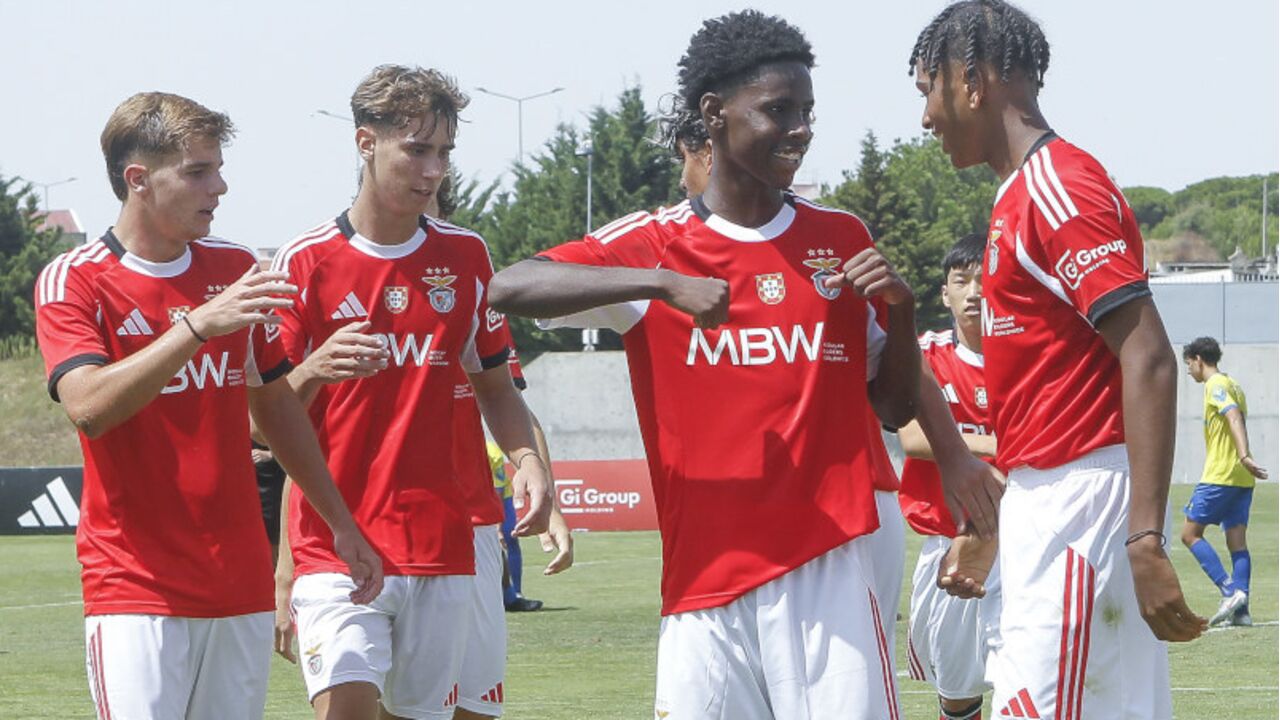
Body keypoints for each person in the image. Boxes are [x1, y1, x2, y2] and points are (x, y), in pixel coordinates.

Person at [491, 11, 920, 718]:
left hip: (828, 570)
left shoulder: (839, 238)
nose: (800, 129)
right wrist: (658, 284)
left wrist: (900, 315)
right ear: (714, 115)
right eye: (778, 110)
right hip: (703, 583)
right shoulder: (656, 244)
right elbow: (509, 286)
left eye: (807, 111)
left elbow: (894, 408)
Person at [33, 91, 382, 720]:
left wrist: (341, 523)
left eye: (218, 168)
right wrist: (197, 327)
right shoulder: (76, 278)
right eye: (197, 171)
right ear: (138, 180)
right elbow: (87, 406)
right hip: (134, 586)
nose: (218, 187)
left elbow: (275, 407)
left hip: (238, 581)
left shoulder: (234, 266)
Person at [910, 2, 1206, 717]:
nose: (925, 116)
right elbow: (1046, 393)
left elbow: (1150, 357)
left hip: (1084, 507)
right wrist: (998, 527)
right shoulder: (1016, 198)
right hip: (1049, 502)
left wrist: (1142, 538)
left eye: (928, 88)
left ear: (973, 81)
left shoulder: (1058, 187)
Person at [270, 65, 553, 720]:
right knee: (347, 707)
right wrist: (312, 369)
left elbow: (495, 386)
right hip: (336, 547)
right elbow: (266, 419)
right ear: (366, 143)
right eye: (417, 150)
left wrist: (529, 462)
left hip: (441, 546)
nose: (433, 171)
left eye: (444, 153)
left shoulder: (467, 257)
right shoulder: (305, 261)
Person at [897, 233, 1000, 720]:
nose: (974, 292)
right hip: (946, 542)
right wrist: (999, 447)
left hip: (1023, 542)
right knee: (958, 693)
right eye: (962, 281)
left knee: (1038, 676)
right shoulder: (926, 354)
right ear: (945, 293)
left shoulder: (1027, 356)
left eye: (984, 280)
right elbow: (913, 438)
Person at [1180, 336, 1267, 627]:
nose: (1189, 371)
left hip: (1222, 475)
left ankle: (1229, 591)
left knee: (1190, 534)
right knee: (1237, 543)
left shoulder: (1215, 385)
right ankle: (1242, 612)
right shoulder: (1234, 384)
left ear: (1198, 360)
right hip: (1242, 480)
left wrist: (1243, 455)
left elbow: (1232, 417)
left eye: (1188, 365)